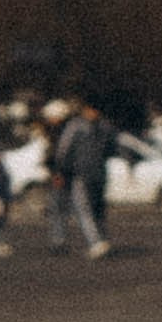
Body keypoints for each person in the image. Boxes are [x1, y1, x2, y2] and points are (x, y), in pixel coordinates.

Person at [52, 100, 113, 257]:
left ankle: (95, 242)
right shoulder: (105, 126)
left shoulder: (76, 126)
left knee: (84, 209)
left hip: (82, 174)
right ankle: (101, 239)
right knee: (95, 209)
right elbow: (110, 149)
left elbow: (63, 149)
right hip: (98, 173)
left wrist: (59, 170)